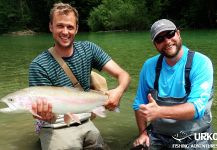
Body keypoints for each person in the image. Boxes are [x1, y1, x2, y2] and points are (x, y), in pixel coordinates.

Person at [29, 2, 130, 150]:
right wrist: (42, 115)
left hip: (85, 119)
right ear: (51, 26)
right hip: (55, 125)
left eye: (70, 27)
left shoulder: (89, 49)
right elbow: (46, 117)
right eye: (60, 26)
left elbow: (123, 75)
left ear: (76, 29)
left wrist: (118, 91)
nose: (65, 31)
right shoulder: (38, 65)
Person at [132, 19, 213, 149]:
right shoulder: (149, 66)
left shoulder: (201, 63)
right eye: (160, 39)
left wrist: (159, 112)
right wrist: (143, 133)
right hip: (158, 135)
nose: (167, 41)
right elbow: (138, 104)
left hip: (195, 136)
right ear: (155, 45)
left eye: (170, 34)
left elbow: (196, 108)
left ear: (178, 34)